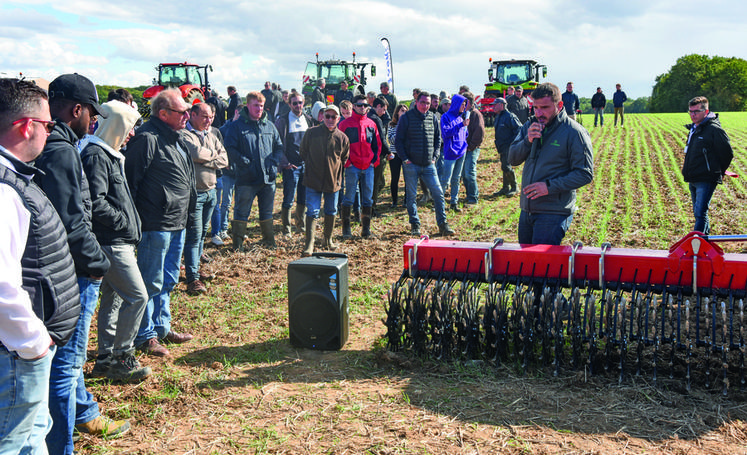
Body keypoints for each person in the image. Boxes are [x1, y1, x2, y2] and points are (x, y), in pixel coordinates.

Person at [34, 73, 132, 453]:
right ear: (76, 110)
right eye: (90, 112)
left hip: (59, 267)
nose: (93, 121)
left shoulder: (51, 145)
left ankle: (84, 412)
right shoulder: (60, 151)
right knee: (67, 363)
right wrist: (97, 263)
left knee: (67, 360)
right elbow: (72, 218)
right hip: (74, 269)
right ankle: (61, 445)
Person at [0, 78, 79, 455]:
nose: (51, 132)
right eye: (48, 125)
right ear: (26, 126)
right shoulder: (3, 192)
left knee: (33, 435)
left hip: (20, 350)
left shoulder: (13, 178)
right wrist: (34, 341)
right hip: (15, 354)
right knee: (13, 441)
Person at [79, 100, 152, 382]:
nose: (132, 133)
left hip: (116, 241)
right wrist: (123, 222)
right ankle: (123, 357)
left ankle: (105, 360)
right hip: (112, 242)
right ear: (118, 125)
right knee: (138, 296)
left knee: (115, 300)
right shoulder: (97, 156)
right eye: (130, 127)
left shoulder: (108, 153)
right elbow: (95, 201)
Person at [125, 88, 196, 358]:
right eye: (182, 112)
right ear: (163, 113)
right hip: (155, 224)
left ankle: (161, 325)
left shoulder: (176, 138)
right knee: (150, 281)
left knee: (167, 280)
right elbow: (132, 182)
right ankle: (145, 335)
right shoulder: (147, 139)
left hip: (176, 222)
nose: (187, 116)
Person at [508, 82, 594, 245]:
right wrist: (527, 140)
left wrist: (548, 187)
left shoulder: (574, 133)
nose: (539, 113)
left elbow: (585, 173)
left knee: (541, 265)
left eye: (545, 108)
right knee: (525, 264)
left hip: (554, 212)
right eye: (535, 108)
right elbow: (512, 159)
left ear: (559, 105)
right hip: (527, 210)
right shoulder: (529, 125)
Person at [223, 91, 283, 250]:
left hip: (267, 178)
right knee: (241, 212)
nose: (259, 109)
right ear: (248, 105)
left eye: (261, 106)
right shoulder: (237, 126)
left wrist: (274, 162)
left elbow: (279, 147)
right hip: (246, 178)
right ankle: (238, 246)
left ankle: (269, 242)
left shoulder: (269, 125)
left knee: (267, 211)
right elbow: (230, 148)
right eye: (256, 105)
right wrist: (245, 162)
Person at [183, 102, 228, 294]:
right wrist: (213, 157)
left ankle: (195, 269)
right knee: (194, 236)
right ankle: (192, 279)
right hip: (195, 193)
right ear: (192, 115)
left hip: (210, 191)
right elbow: (193, 152)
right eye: (204, 117)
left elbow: (225, 159)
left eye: (210, 117)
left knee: (202, 234)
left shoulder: (211, 134)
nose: (209, 120)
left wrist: (205, 159)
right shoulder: (185, 135)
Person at [395, 91, 454, 237]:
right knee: (411, 196)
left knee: (438, 193)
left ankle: (442, 224)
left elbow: (437, 139)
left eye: (428, 103)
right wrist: (405, 158)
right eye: (423, 102)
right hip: (411, 164)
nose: (425, 106)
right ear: (416, 102)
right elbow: (398, 141)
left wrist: (434, 156)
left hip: (428, 164)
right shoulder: (406, 118)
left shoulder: (432, 117)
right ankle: (415, 224)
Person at [299, 104, 350, 256]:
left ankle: (327, 240)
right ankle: (310, 243)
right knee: (313, 211)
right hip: (313, 180)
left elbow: (344, 158)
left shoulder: (342, 138)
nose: (330, 119)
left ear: (338, 119)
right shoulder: (311, 133)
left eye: (333, 117)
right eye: (327, 116)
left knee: (331, 210)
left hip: (333, 182)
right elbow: (303, 152)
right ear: (322, 117)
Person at [681, 96, 733, 235]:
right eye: (690, 111)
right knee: (699, 213)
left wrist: (718, 171)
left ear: (706, 111)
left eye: (696, 111)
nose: (692, 115)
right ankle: (705, 242)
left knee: (700, 213)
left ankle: (696, 245)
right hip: (693, 177)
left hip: (706, 178)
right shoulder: (695, 128)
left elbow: (727, 153)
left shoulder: (713, 129)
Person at [339, 95, 381, 239]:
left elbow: (377, 145)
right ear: (354, 106)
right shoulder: (345, 124)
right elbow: (340, 146)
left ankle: (366, 230)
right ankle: (346, 230)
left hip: (368, 167)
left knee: (367, 199)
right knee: (349, 198)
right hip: (352, 166)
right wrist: (347, 162)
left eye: (364, 105)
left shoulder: (371, 123)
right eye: (359, 105)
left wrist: (373, 162)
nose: (362, 108)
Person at [275, 92, 313, 236]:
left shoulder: (308, 120)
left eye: (300, 102)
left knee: (303, 197)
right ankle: (286, 229)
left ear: (304, 103)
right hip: (291, 167)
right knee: (289, 198)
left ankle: (300, 225)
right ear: (289, 104)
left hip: (306, 166)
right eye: (295, 103)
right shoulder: (283, 121)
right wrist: (285, 163)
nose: (298, 105)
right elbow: (277, 144)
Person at [439, 93, 468, 212]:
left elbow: (465, 133)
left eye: (465, 105)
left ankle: (454, 202)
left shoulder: (461, 117)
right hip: (450, 152)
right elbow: (446, 133)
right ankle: (439, 203)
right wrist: (461, 125)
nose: (464, 107)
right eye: (462, 104)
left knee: (456, 179)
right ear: (456, 104)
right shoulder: (446, 117)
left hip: (461, 151)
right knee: (446, 179)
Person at [491, 97, 522, 198]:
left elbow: (519, 130)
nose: (493, 106)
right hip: (501, 146)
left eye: (495, 104)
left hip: (508, 146)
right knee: (504, 166)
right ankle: (505, 188)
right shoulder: (499, 116)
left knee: (506, 166)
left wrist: (512, 143)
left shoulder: (510, 116)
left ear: (502, 105)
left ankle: (514, 187)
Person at [368, 96, 391, 216]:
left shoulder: (368, 116)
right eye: (384, 109)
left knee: (375, 182)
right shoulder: (376, 119)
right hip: (378, 155)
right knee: (377, 182)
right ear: (378, 107)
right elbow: (381, 139)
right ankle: (371, 208)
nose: (385, 112)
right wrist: (389, 152)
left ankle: (368, 203)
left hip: (369, 155)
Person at [461, 92, 485, 205]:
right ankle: (469, 194)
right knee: (464, 173)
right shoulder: (464, 113)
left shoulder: (475, 114)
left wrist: (471, 147)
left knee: (469, 172)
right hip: (464, 149)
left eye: (464, 102)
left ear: (469, 102)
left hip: (471, 149)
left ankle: (473, 198)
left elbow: (479, 133)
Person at [387, 103, 407, 208]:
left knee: (407, 178)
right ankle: (394, 201)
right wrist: (399, 130)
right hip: (394, 154)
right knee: (395, 178)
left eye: (405, 111)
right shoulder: (392, 125)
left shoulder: (409, 124)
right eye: (402, 110)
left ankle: (406, 201)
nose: (404, 112)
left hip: (406, 154)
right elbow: (391, 140)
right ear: (397, 113)